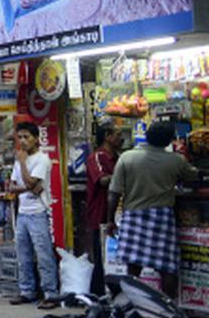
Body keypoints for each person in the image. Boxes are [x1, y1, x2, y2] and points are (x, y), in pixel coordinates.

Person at [108, 121, 197, 299]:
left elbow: (113, 193)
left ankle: (132, 303)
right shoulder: (176, 161)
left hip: (133, 216)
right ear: (168, 141)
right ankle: (169, 308)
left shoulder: (127, 157)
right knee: (167, 267)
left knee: (133, 266)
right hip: (162, 218)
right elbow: (193, 174)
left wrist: (110, 220)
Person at [8, 121, 60, 309]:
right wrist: (28, 187)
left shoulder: (42, 159)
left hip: (38, 212)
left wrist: (23, 164)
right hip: (22, 213)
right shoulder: (18, 160)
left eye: (26, 137)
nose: (22, 141)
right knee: (23, 254)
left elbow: (32, 183)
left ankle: (51, 293)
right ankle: (27, 291)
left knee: (44, 254)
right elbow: (13, 187)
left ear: (36, 139)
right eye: (19, 137)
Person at [84, 122, 122, 295]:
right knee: (101, 257)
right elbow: (101, 180)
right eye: (117, 134)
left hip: (117, 213)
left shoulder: (119, 157)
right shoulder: (97, 157)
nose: (121, 138)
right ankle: (97, 295)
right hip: (100, 213)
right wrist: (125, 176)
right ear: (107, 136)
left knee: (114, 258)